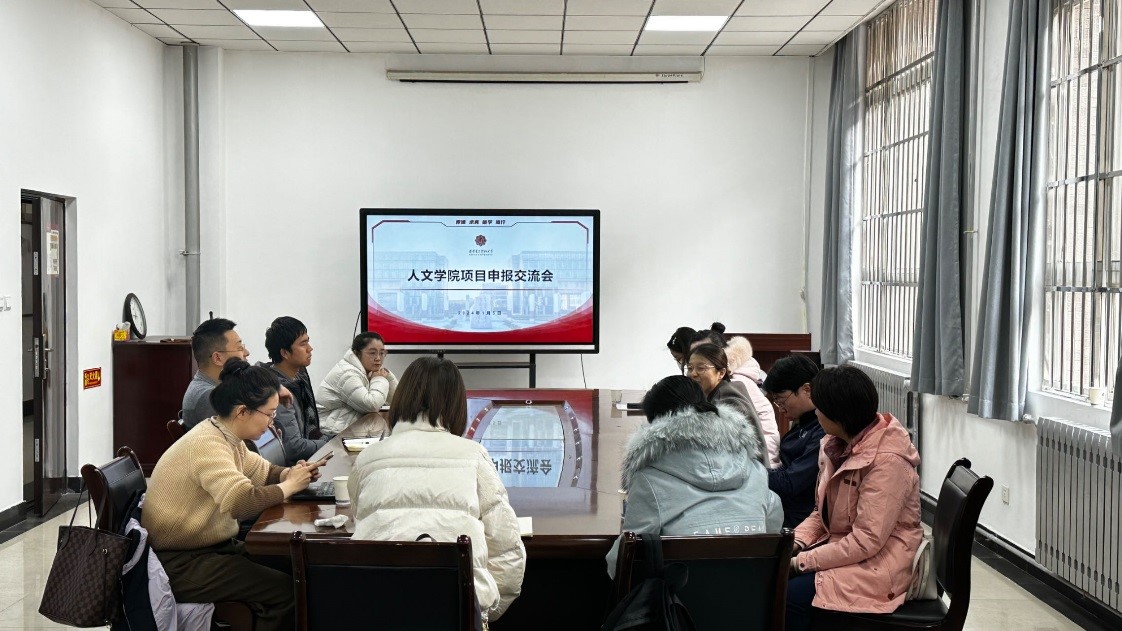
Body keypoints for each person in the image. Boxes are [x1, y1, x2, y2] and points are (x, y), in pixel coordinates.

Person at [143, 359, 322, 631]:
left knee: (297, 567)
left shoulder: (226, 436)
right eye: (269, 414)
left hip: (211, 549)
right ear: (242, 412)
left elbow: (264, 472)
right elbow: (241, 503)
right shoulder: (206, 444)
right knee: (285, 591)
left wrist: (290, 474)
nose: (272, 423)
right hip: (179, 563)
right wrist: (289, 487)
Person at [349, 357, 526, 625]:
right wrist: (480, 614)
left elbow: (361, 521)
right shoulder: (474, 455)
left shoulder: (367, 458)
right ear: (456, 405)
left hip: (373, 613)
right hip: (456, 615)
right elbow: (507, 553)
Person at [786, 366, 922, 630]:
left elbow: (866, 541)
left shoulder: (887, 461)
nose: (816, 413)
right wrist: (795, 543)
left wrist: (800, 562)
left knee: (790, 595)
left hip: (883, 563)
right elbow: (821, 512)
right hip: (853, 548)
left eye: (819, 408)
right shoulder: (835, 444)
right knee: (776, 577)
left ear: (837, 416)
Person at [605, 376, 783, 576]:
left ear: (654, 424)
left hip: (681, 595)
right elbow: (773, 526)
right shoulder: (755, 469)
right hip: (751, 590)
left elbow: (626, 558)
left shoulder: (649, 479)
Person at [691, 323, 781, 467]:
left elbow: (763, 431)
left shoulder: (733, 385)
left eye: (706, 351)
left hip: (758, 465)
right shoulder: (715, 384)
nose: (698, 356)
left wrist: (765, 469)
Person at [763, 355, 826, 529]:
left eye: (781, 400)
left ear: (807, 389)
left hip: (803, 519)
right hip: (789, 507)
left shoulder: (823, 429)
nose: (781, 409)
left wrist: (751, 472)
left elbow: (791, 482)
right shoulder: (804, 420)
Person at [685, 343, 767, 464]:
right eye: (690, 368)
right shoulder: (712, 395)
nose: (693, 374)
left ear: (721, 373)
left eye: (701, 368)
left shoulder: (729, 401)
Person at [263, 316, 328, 464]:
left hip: (308, 457)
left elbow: (310, 427)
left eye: (308, 341)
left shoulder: (299, 375)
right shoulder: (277, 391)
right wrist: (330, 443)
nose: (310, 348)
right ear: (285, 353)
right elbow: (294, 447)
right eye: (303, 344)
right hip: (294, 466)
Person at [316, 331, 398, 436]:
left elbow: (397, 400)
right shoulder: (348, 374)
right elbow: (372, 405)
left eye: (382, 353)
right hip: (330, 434)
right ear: (357, 353)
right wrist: (379, 379)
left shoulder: (369, 371)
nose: (378, 358)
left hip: (349, 431)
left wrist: (388, 377)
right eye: (372, 353)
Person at [182, 318, 249, 429]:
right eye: (240, 348)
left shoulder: (216, 387)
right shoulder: (209, 396)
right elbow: (245, 435)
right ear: (218, 358)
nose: (247, 353)